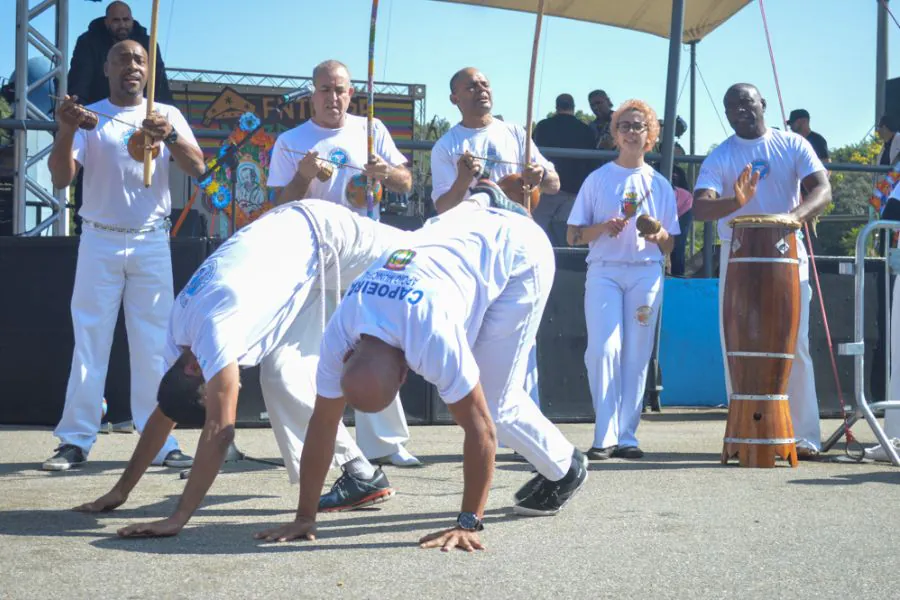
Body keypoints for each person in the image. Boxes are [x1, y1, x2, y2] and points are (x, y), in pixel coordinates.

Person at [254, 198, 589, 551]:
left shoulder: (431, 336)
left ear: (404, 376)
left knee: (492, 401)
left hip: (520, 251)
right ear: (348, 356)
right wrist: (304, 517)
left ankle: (565, 468)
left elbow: (481, 429)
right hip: (462, 234)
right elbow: (322, 425)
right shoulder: (341, 330)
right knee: (480, 390)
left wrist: (468, 523)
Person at [77, 200, 415, 535]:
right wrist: (121, 490)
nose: (234, 389)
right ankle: (360, 474)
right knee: (282, 376)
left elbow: (220, 432)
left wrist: (178, 518)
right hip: (298, 255)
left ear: (196, 370)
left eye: (220, 391)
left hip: (326, 231)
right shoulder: (180, 341)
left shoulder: (214, 330)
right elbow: (165, 412)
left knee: (420, 254)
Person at [43, 40, 205, 471]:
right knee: (90, 339)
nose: (131, 65)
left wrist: (167, 134)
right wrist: (66, 130)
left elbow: (198, 166)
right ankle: (75, 438)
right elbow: (60, 178)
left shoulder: (166, 114)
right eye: (122, 59)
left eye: (139, 59)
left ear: (148, 70)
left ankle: (159, 440)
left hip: (152, 239)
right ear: (107, 67)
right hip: (99, 237)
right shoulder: (89, 116)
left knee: (155, 343)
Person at [267, 60, 419, 467]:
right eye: (325, 89)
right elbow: (277, 207)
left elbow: (406, 181)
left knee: (376, 340)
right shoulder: (291, 141)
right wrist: (302, 177)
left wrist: (387, 173)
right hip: (314, 255)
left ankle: (385, 442)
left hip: (367, 249)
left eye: (340, 90)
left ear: (351, 93)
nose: (333, 97)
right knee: (313, 348)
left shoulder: (372, 130)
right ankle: (322, 445)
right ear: (311, 94)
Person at [693, 83, 832, 459]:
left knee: (794, 346)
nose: (739, 109)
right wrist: (733, 202)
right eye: (730, 106)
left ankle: (803, 436)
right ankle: (744, 435)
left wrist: (793, 218)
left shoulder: (792, 144)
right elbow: (701, 208)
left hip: (787, 255)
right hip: (738, 258)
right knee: (737, 348)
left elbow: (822, 190)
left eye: (746, 102)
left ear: (763, 104)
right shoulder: (720, 156)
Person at [430, 67, 560, 413]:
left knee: (522, 338)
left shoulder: (516, 133)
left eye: (485, 83)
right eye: (471, 86)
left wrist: (540, 174)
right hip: (474, 250)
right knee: (475, 336)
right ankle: (483, 422)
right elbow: (442, 207)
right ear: (455, 98)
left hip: (519, 245)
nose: (481, 90)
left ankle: (525, 420)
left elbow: (554, 184)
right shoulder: (447, 146)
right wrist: (461, 179)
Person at [566, 99, 679, 460]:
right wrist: (602, 228)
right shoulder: (598, 179)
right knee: (603, 349)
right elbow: (572, 234)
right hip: (604, 271)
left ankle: (626, 436)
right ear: (615, 134)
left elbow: (670, 243)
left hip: (645, 273)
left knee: (636, 354)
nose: (632, 132)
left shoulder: (659, 184)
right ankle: (605, 434)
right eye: (625, 126)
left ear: (651, 135)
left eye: (639, 126)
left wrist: (657, 232)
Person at [68, 1, 174, 237]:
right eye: (116, 20)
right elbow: (79, 79)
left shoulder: (146, 42)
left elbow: (160, 83)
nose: (122, 25)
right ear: (107, 22)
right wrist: (78, 112)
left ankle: (146, 228)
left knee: (146, 175)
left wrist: (168, 119)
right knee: (94, 179)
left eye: (126, 20)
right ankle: (84, 230)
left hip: (140, 120)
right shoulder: (89, 42)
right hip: (100, 120)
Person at [532, 93, 595, 246]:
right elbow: (592, 163)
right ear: (573, 108)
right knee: (565, 238)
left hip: (546, 191)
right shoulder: (585, 130)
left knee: (536, 233)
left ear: (557, 106)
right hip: (574, 193)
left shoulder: (543, 126)